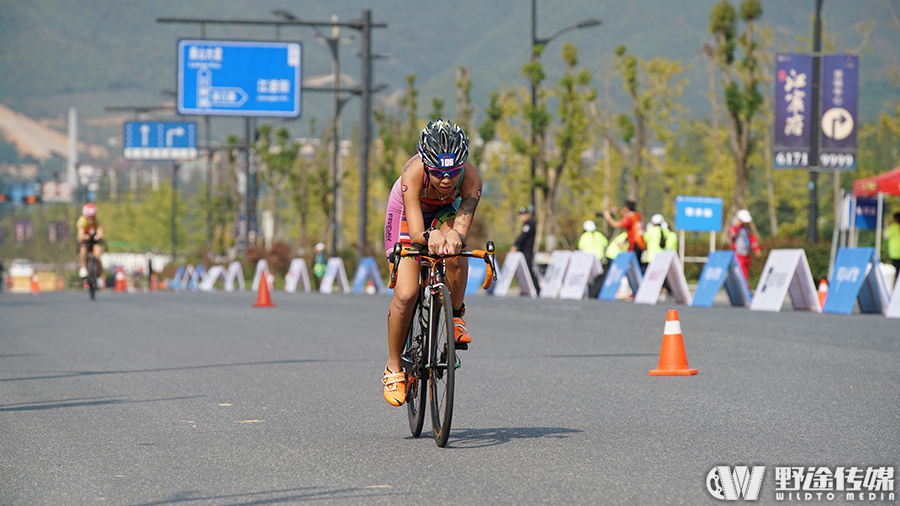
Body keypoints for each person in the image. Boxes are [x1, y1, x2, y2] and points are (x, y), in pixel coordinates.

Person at [381, 118, 482, 407]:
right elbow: (415, 233)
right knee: (406, 293)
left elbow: (460, 230)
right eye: (438, 173)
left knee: (454, 251)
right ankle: (393, 366)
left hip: (443, 212)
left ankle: (456, 315)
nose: (447, 179)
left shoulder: (472, 180)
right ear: (426, 164)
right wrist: (431, 235)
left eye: (453, 172)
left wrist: (452, 239)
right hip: (406, 217)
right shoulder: (412, 174)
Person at [602, 201, 646, 270]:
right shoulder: (637, 215)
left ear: (626, 208)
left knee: (632, 266)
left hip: (634, 243)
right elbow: (627, 215)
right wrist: (619, 211)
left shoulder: (630, 219)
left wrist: (608, 217)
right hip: (641, 243)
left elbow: (615, 225)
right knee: (637, 265)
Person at [509, 206, 540, 294]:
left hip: (527, 250)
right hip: (523, 250)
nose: (522, 216)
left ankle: (536, 288)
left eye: (523, 214)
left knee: (528, 269)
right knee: (523, 270)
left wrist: (515, 245)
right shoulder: (526, 224)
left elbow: (523, 236)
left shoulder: (530, 224)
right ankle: (526, 288)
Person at [728, 209, 761, 284]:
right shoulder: (733, 227)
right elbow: (731, 235)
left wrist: (756, 249)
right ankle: (744, 287)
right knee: (741, 272)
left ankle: (745, 286)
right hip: (738, 253)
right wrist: (737, 226)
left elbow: (752, 238)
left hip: (746, 253)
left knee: (746, 271)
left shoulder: (747, 228)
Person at [578, 220, 608, 298]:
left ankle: (587, 291)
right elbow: (605, 244)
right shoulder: (599, 235)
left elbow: (581, 247)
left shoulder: (584, 236)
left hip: (588, 260)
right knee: (598, 277)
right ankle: (597, 291)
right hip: (598, 258)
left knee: (587, 277)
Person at [76, 202, 104, 279]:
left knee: (98, 252)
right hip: (85, 241)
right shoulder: (81, 222)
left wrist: (98, 236)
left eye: (92, 218)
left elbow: (100, 233)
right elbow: (81, 236)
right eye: (88, 218)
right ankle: (83, 268)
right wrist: (85, 237)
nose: (91, 220)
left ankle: (99, 274)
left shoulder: (98, 221)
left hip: (94, 241)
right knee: (83, 249)